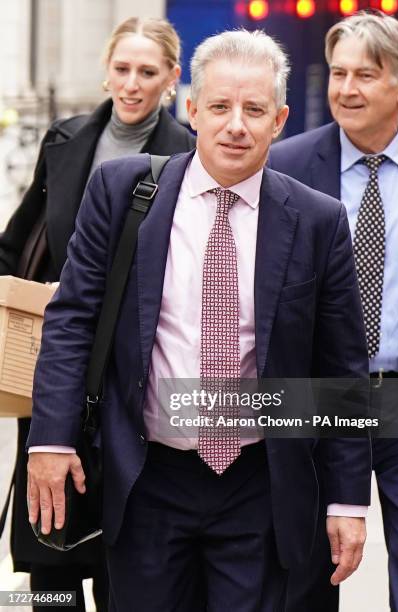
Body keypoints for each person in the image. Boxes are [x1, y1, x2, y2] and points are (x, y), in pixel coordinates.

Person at [26, 29, 371, 611]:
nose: (236, 124)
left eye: (254, 109)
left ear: (279, 118)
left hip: (260, 483)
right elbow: (72, 320)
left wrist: (347, 502)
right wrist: (51, 438)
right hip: (147, 478)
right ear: (192, 111)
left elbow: (341, 369)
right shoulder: (121, 192)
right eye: (220, 106)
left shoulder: (319, 221)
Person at [0, 16, 195, 612]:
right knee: (49, 554)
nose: (132, 84)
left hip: (135, 375)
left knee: (124, 549)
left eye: (148, 72)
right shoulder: (64, 139)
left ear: (171, 79)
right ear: (106, 69)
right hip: (57, 363)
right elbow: (19, 238)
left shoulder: (189, 151)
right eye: (122, 69)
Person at [268, 10, 398, 612]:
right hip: (318, 397)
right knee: (302, 567)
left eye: (366, 76)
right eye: (337, 73)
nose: (346, 89)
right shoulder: (286, 164)